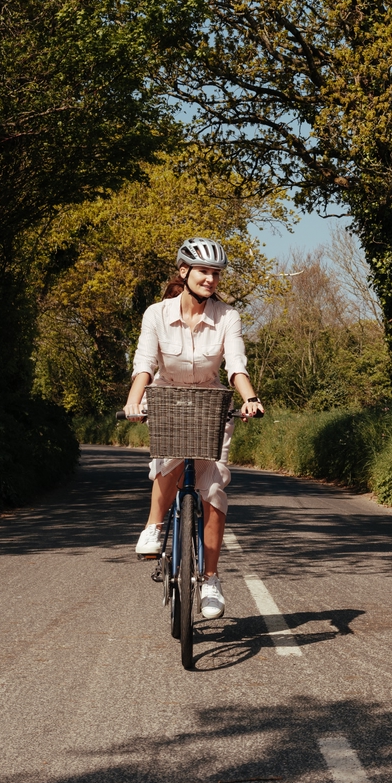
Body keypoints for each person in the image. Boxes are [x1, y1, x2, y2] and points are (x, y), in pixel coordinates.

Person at [125, 239, 264, 619]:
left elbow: (236, 363)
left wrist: (250, 398)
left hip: (210, 401)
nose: (211, 279)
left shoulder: (227, 316)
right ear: (184, 272)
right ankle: (154, 526)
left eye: (216, 273)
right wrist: (134, 400)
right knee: (169, 461)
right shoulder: (156, 313)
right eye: (204, 271)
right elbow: (145, 363)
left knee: (214, 488)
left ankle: (211, 579)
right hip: (167, 396)